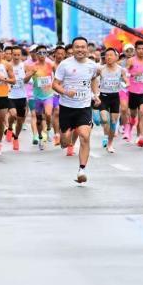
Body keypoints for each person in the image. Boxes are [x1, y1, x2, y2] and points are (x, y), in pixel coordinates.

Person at [52, 36, 100, 184]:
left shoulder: (92, 66)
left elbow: (93, 79)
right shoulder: (65, 65)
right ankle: (69, 135)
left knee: (85, 136)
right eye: (77, 47)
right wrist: (66, 92)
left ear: (87, 49)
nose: (80, 49)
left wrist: (96, 95)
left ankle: (82, 170)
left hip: (84, 107)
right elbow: (55, 84)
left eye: (83, 47)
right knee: (65, 143)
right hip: (67, 107)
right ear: (72, 49)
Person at [25, 45, 55, 150]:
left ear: (46, 54)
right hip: (37, 96)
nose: (42, 55)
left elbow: (58, 76)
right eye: (40, 53)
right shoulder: (32, 66)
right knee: (38, 119)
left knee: (48, 114)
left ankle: (49, 128)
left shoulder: (51, 64)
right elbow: (25, 80)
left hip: (48, 95)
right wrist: (31, 74)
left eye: (44, 53)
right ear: (36, 54)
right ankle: (40, 137)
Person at [96, 48, 126, 153]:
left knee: (113, 123)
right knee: (105, 119)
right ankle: (105, 134)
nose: (108, 57)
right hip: (103, 97)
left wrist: (127, 83)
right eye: (107, 55)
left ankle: (110, 144)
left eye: (111, 55)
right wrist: (95, 92)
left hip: (115, 97)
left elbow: (125, 79)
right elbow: (93, 79)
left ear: (116, 57)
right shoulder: (100, 69)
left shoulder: (121, 69)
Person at [6, 46, 28, 151]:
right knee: (13, 114)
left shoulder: (24, 66)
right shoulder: (7, 66)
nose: (16, 57)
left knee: (20, 120)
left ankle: (16, 137)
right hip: (10, 95)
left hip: (22, 96)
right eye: (14, 54)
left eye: (18, 55)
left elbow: (28, 80)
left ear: (21, 55)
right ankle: (10, 127)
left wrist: (30, 76)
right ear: (11, 55)